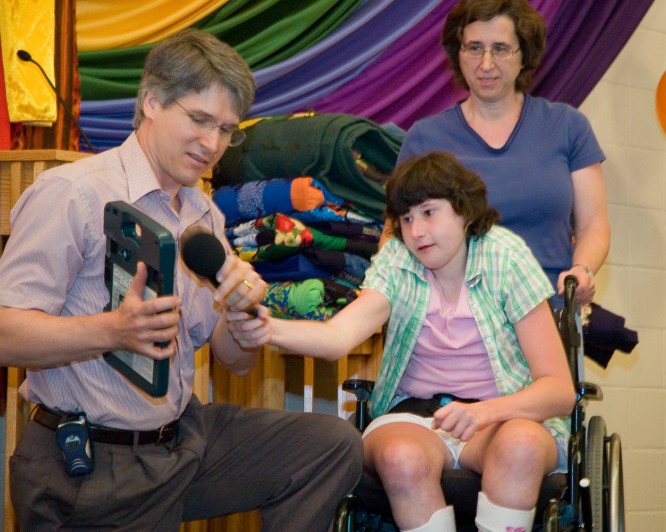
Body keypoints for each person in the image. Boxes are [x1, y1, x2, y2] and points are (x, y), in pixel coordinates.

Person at [0, 29, 361, 531]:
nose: (213, 144)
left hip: (181, 444)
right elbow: (4, 333)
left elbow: (234, 362)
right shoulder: (72, 194)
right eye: (199, 120)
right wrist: (112, 331)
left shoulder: (204, 215)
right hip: (87, 464)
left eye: (228, 130)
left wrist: (242, 319)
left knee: (328, 446)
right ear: (151, 101)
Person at [229, 151, 575, 532]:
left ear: (465, 210)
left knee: (521, 446)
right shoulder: (398, 260)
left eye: (429, 213)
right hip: (414, 416)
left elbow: (559, 391)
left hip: (501, 416)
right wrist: (268, 329)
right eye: (406, 219)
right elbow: (337, 336)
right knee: (400, 457)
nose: (417, 232)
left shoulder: (506, 256)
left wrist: (483, 412)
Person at [398, 0, 610, 308]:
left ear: (523, 54)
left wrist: (582, 271)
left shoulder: (567, 126)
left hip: (549, 317)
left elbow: (594, 225)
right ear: (458, 53)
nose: (486, 64)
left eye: (500, 48)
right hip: (452, 327)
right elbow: (396, 233)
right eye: (474, 48)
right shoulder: (424, 137)